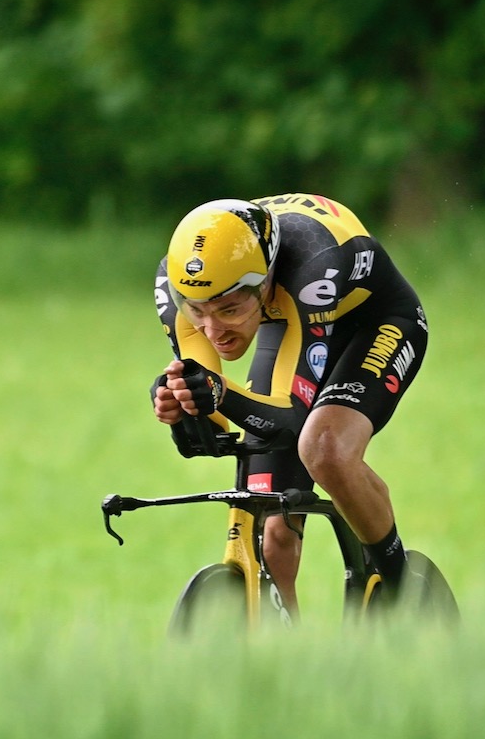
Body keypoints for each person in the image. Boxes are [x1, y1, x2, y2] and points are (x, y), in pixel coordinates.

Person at [152, 193, 429, 617]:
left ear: (263, 282)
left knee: (324, 448)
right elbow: (214, 417)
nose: (213, 330)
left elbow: (291, 418)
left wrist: (220, 393)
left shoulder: (311, 265)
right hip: (290, 321)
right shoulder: (183, 286)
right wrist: (181, 405)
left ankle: (403, 596)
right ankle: (285, 657)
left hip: (375, 321)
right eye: (198, 313)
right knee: (275, 530)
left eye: (229, 309)